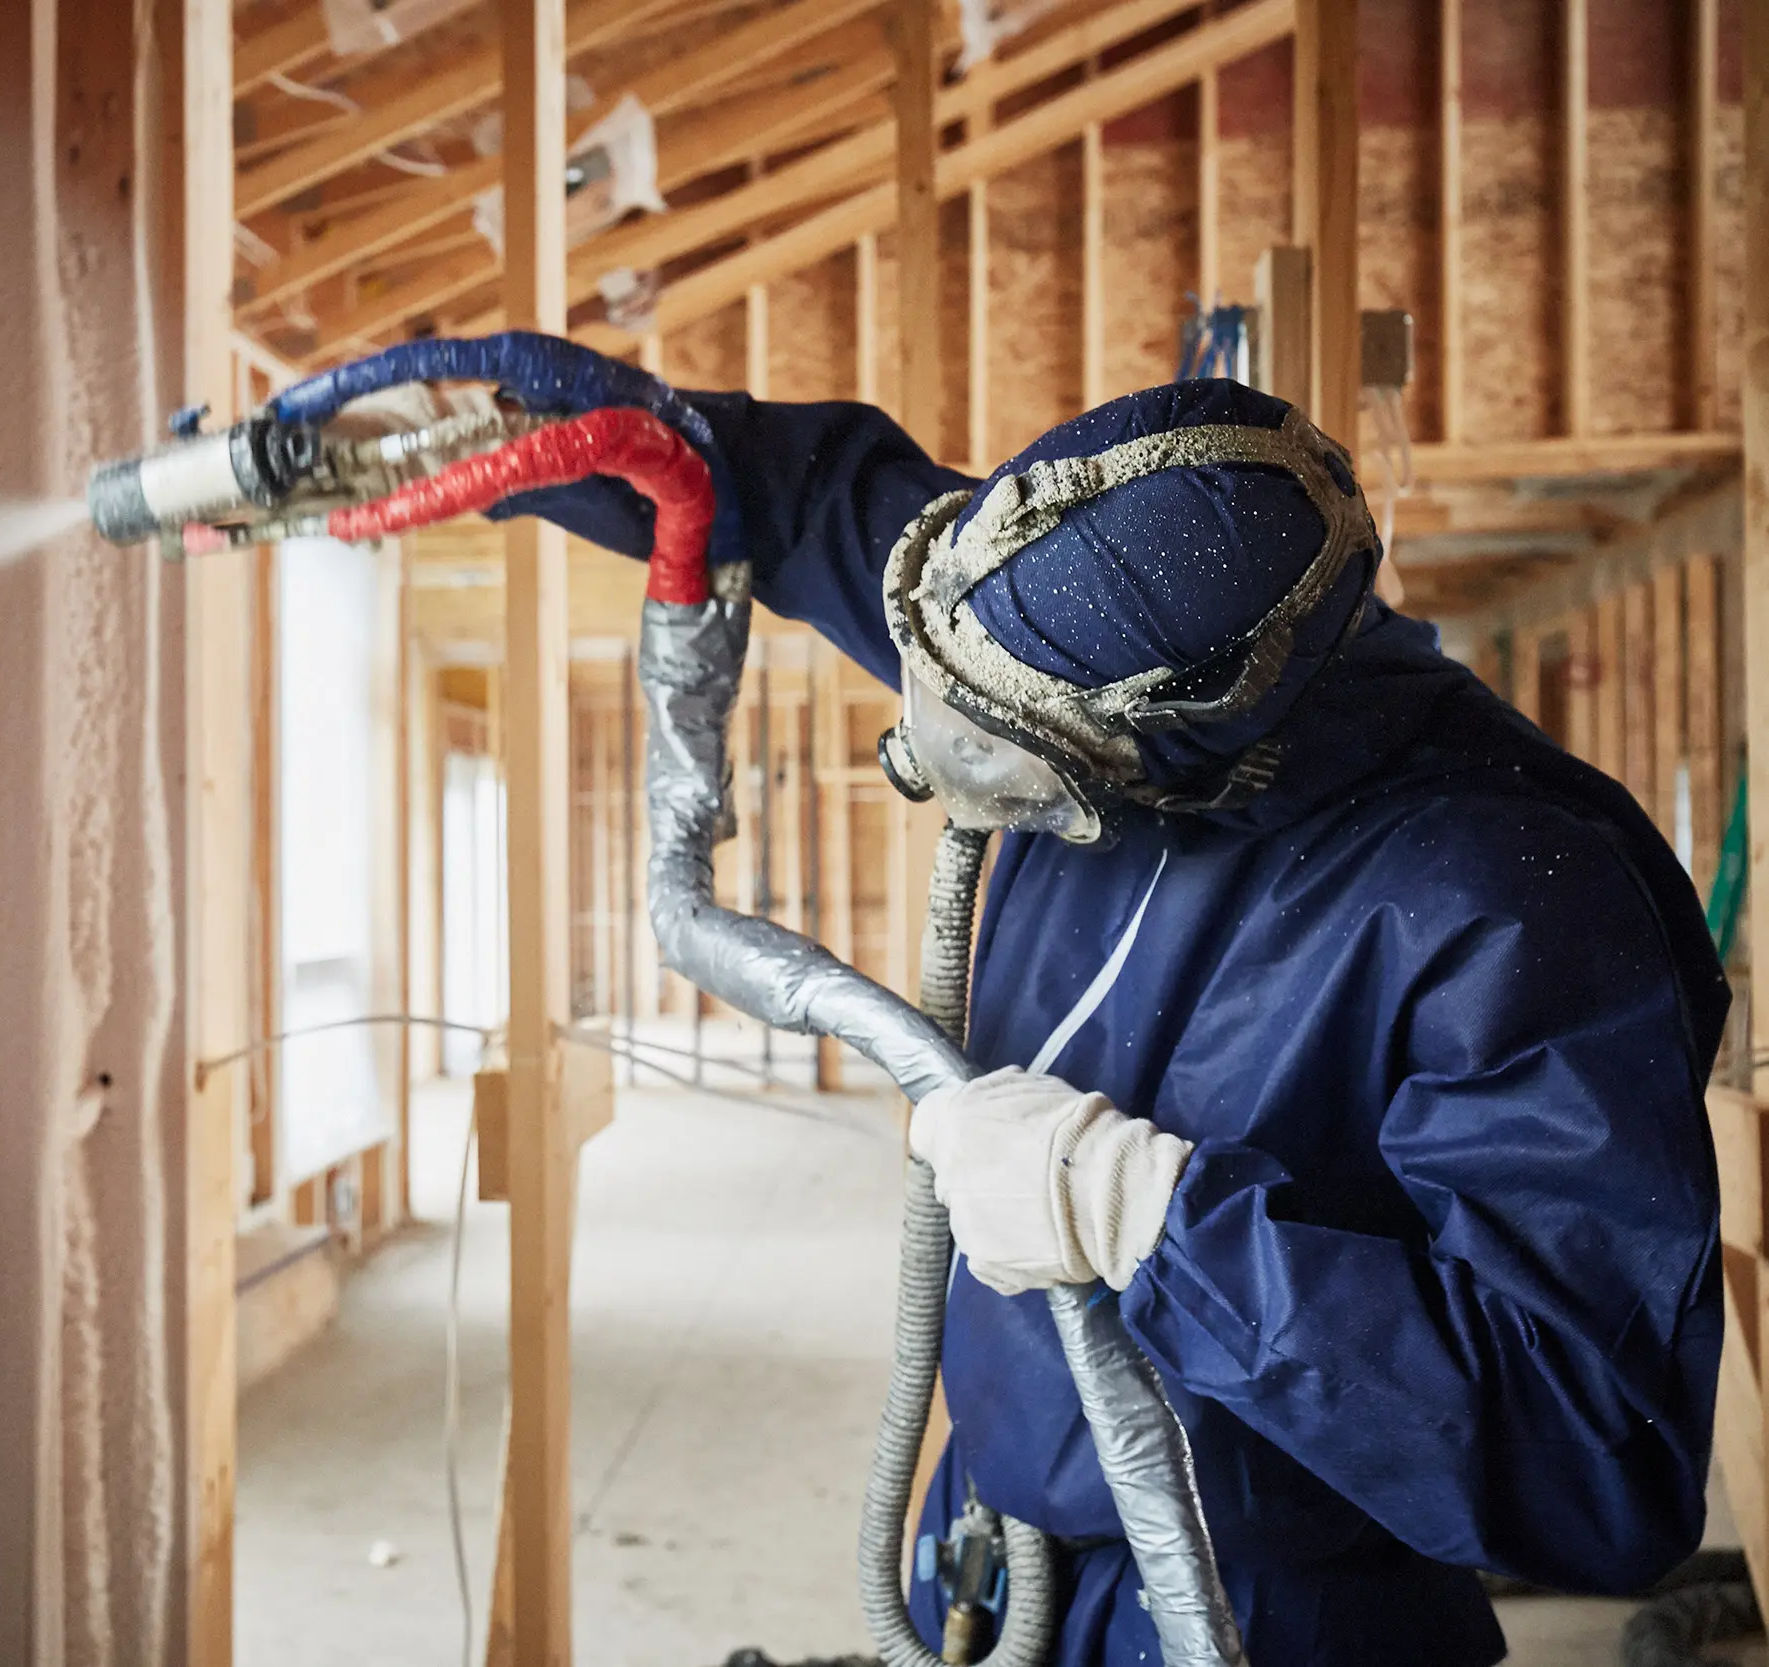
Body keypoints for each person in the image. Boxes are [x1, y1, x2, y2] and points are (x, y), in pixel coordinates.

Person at [275, 338, 1728, 1666]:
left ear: (1175, 746)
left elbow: (1604, 1456)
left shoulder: (1516, 898)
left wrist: (1151, 1217)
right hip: (994, 1557)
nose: (940, 768)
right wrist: (512, 430)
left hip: (1259, 1613)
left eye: (1009, 770)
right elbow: (795, 490)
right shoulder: (1050, 608)